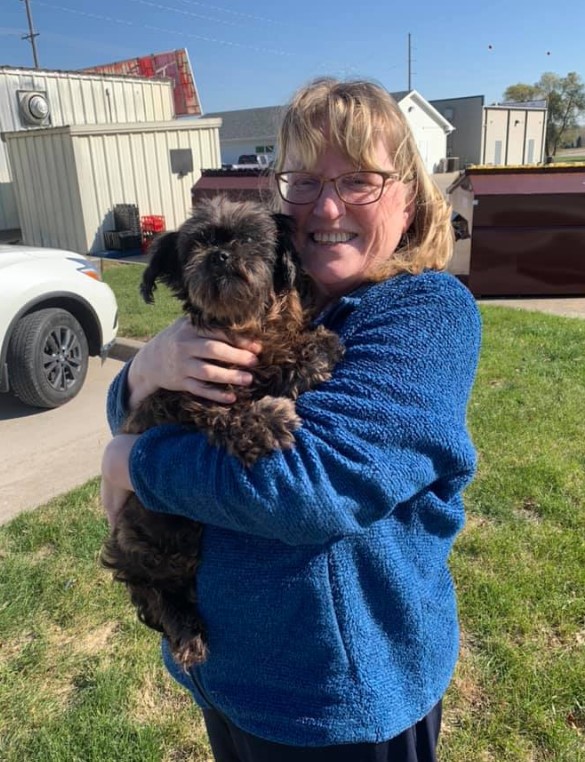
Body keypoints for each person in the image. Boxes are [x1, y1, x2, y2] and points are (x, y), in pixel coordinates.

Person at [101, 77, 481, 761]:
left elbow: (309, 489)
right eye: (303, 181)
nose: (327, 205)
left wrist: (133, 463)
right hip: (230, 677)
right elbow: (143, 405)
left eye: (359, 180)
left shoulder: (425, 313)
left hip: (340, 701)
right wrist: (143, 370)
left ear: (408, 194)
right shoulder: (277, 294)